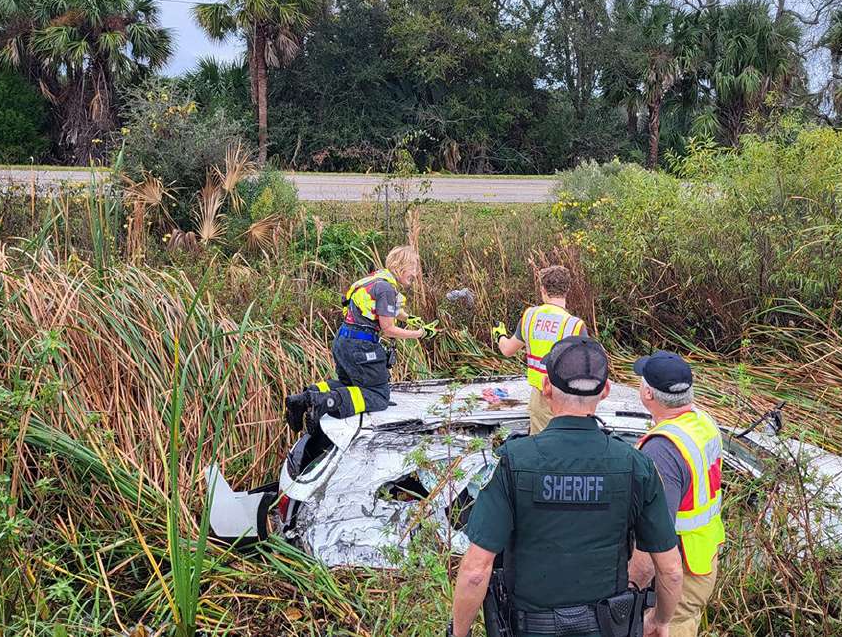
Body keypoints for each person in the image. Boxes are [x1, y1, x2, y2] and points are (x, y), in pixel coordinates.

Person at [449, 336, 685, 637]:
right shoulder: (636, 466)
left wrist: (459, 633)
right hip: (608, 627)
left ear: (546, 387)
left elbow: (474, 572)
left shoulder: (514, 461)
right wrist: (659, 621)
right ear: (606, 391)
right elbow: (671, 570)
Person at [628, 351, 724, 637]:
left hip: (677, 577)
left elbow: (653, 539)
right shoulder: (703, 422)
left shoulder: (662, 450)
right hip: (702, 558)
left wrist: (628, 592)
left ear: (647, 393)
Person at [284, 245, 433, 430]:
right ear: (401, 266)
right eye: (414, 268)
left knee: (348, 384)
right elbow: (388, 329)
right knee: (378, 396)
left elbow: (381, 309)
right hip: (361, 347)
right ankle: (325, 402)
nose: (416, 273)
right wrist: (419, 334)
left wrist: (409, 318)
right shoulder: (386, 288)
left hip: (343, 341)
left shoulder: (375, 279)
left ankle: (303, 400)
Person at [492, 265, 588, 435]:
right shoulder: (575, 325)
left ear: (543, 290)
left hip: (541, 396)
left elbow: (507, 350)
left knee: (542, 448)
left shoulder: (530, 316)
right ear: (566, 290)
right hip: (569, 399)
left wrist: (499, 335)